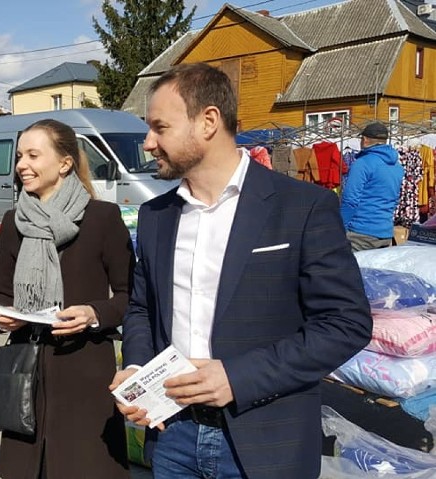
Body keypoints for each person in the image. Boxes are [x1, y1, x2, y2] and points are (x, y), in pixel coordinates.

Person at [112, 63, 372, 479]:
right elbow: (143, 307)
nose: (148, 143)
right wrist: (137, 369)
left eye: (160, 127)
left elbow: (346, 324)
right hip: (173, 436)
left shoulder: (301, 207)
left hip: (265, 440)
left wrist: (237, 376)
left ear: (208, 121)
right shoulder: (155, 215)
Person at [0, 118, 133, 478]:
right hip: (26, 367)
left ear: (64, 163)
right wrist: (2, 315)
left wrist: (93, 313)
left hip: (84, 369)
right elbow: (1, 293)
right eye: (20, 155)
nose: (22, 164)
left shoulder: (102, 218)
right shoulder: (13, 222)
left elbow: (132, 296)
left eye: (33, 155)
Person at [340, 122, 403, 252]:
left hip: (360, 232)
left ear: (365, 140)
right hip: (385, 232)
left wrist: (340, 226)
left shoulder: (362, 163)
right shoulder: (397, 166)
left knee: (347, 269)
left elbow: (350, 200)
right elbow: (395, 199)